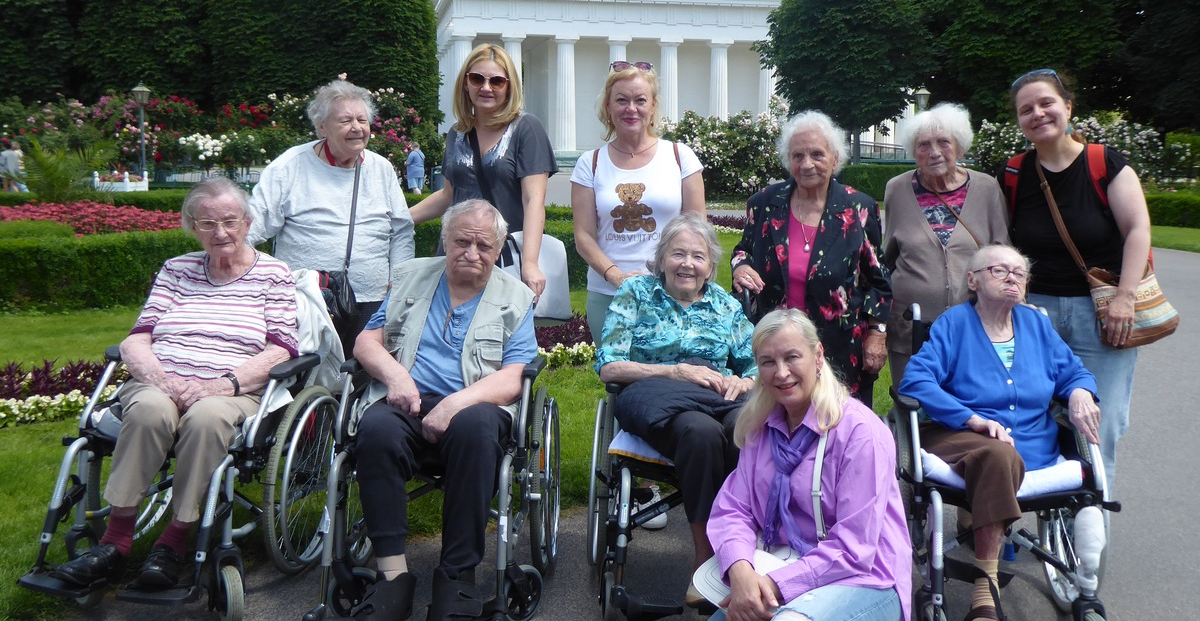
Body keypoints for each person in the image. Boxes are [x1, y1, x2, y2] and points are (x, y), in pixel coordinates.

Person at [51, 178, 299, 590]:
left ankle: (175, 538)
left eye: (229, 221)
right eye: (207, 223)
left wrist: (222, 384)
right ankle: (116, 540)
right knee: (149, 409)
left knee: (205, 418)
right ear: (192, 227)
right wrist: (162, 379)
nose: (220, 232)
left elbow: (282, 348)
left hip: (232, 391)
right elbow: (137, 337)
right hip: (162, 380)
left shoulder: (274, 274)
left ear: (248, 222)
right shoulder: (176, 269)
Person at [349, 199, 538, 621]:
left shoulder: (516, 298)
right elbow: (366, 341)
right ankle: (392, 577)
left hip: (476, 404)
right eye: (462, 242)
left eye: (483, 246)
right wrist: (397, 377)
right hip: (407, 398)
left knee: (475, 431)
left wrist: (455, 403)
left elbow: (514, 377)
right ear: (445, 241)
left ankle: (457, 577)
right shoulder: (410, 278)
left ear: (500, 247)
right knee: (376, 428)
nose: (472, 253)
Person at [899, 244, 1100, 621]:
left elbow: (1075, 372)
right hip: (960, 438)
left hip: (1034, 448)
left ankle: (990, 557)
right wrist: (970, 419)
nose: (1012, 277)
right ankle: (985, 590)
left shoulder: (1037, 324)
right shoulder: (954, 324)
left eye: (1019, 273)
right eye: (999, 270)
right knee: (997, 455)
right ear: (972, 280)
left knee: (1005, 456)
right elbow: (916, 381)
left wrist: (1079, 393)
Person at [708, 309, 911, 621]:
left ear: (818, 356)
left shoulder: (860, 433)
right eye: (767, 362)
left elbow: (853, 549)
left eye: (792, 357)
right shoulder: (759, 426)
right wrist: (740, 572)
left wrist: (773, 586)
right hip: (778, 562)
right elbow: (735, 508)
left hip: (865, 579)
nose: (781, 372)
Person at [596, 213, 757, 606]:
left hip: (718, 400)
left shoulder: (725, 304)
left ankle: (743, 555)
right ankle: (706, 561)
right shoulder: (636, 292)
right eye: (678, 253)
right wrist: (675, 371)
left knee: (746, 428)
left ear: (710, 267)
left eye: (698, 257)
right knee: (699, 432)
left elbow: (755, 363)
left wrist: (744, 381)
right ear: (662, 258)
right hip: (654, 397)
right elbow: (609, 365)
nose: (688, 263)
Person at [1007, 69, 1151, 493]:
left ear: (1068, 106)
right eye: (1026, 109)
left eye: (1046, 103)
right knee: (1035, 420)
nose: (1038, 113)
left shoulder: (1105, 164)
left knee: (1094, 431)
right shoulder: (1013, 175)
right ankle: (1051, 534)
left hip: (1102, 316)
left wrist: (1124, 298)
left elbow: (1138, 230)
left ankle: (1087, 552)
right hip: (1036, 315)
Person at [732, 110, 891, 407]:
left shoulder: (859, 208)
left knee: (839, 429)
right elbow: (743, 250)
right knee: (778, 425)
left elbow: (879, 280)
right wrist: (740, 266)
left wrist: (877, 334)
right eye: (798, 155)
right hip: (777, 346)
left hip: (841, 344)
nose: (807, 164)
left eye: (817, 154)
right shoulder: (765, 203)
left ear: (834, 158)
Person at [247, 77, 415, 356]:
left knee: (359, 376)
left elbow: (400, 230)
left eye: (362, 120)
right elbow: (253, 225)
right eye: (345, 120)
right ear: (321, 126)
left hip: (371, 297)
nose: (357, 128)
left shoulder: (382, 168)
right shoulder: (290, 166)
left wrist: (398, 279)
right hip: (309, 298)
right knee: (304, 373)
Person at [570, 60, 707, 341]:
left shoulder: (680, 157)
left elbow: (697, 228)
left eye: (640, 100)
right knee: (616, 377)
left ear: (653, 105)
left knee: (674, 374)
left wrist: (670, 276)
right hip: (610, 293)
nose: (631, 109)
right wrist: (616, 276)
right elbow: (583, 235)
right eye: (621, 100)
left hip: (673, 290)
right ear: (608, 106)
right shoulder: (590, 163)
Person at [409, 43, 558, 297]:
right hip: (457, 256)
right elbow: (449, 195)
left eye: (497, 81)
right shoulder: (457, 133)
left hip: (503, 257)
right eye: (477, 78)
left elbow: (533, 199)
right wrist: (397, 219)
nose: (486, 87)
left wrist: (530, 263)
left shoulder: (526, 128)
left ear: (509, 86)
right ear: (465, 83)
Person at [883, 103, 1010, 387]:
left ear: (960, 147)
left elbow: (1004, 253)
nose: (935, 152)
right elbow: (889, 255)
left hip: (976, 325)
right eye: (924, 145)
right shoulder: (897, 189)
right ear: (914, 151)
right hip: (910, 327)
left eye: (944, 142)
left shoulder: (987, 188)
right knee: (913, 404)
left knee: (973, 402)